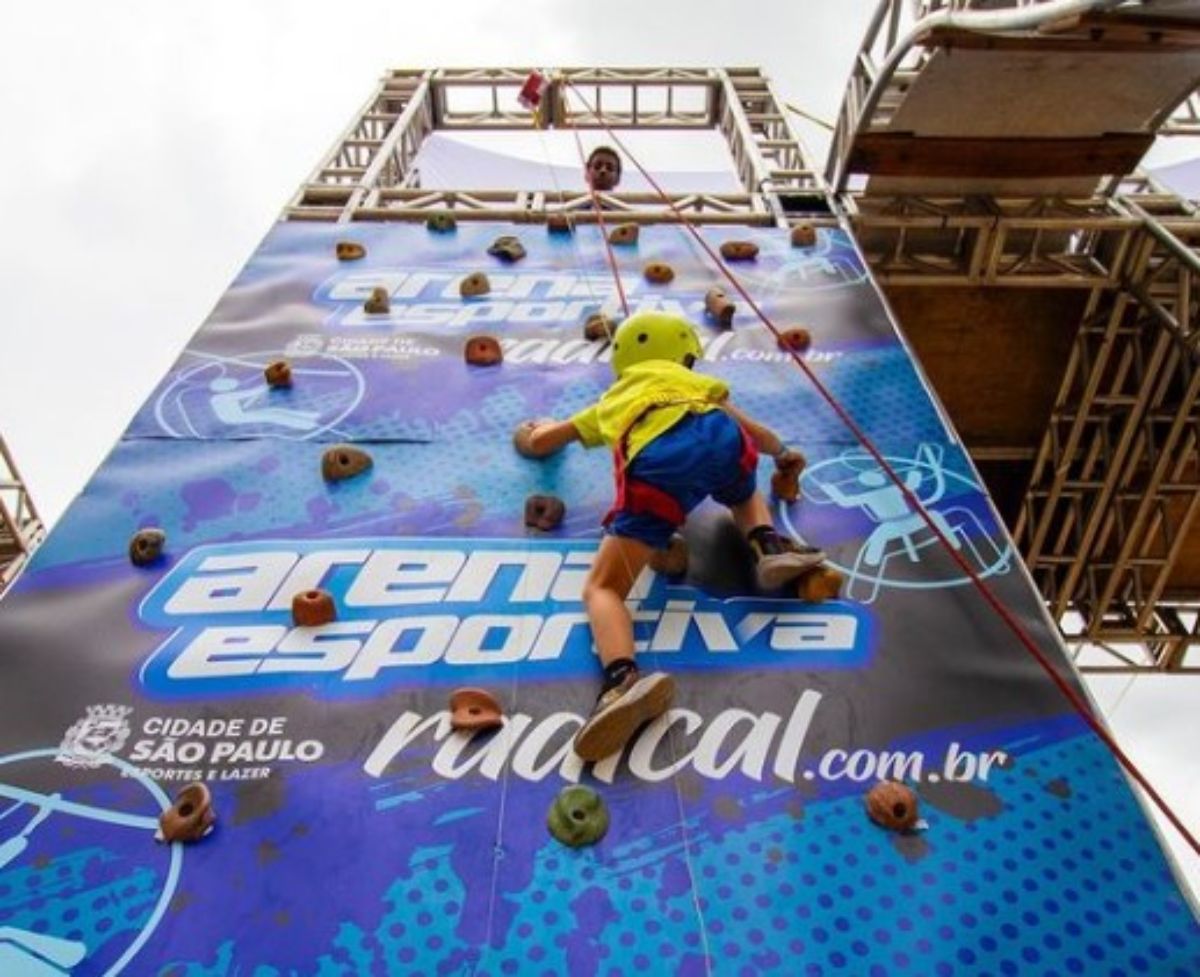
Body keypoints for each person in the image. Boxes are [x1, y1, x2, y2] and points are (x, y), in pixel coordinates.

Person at [515, 311, 824, 761]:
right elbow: (754, 433)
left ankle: (622, 681)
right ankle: (767, 542)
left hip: (662, 464)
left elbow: (546, 441)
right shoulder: (698, 386)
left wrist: (528, 434)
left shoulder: (615, 399)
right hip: (723, 437)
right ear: (683, 355)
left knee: (603, 587)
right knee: (739, 487)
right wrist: (784, 455)